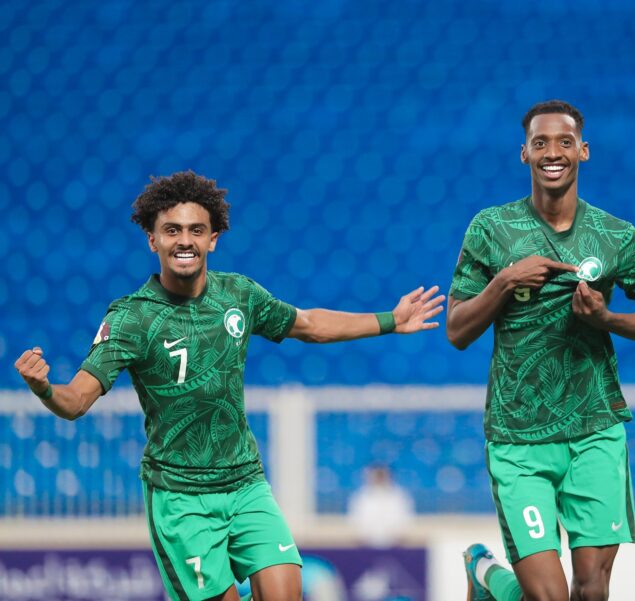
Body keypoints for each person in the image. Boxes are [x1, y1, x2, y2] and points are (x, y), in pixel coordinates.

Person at [14, 171, 445, 601]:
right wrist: (45, 389)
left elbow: (309, 325)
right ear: (152, 240)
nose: (185, 241)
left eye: (196, 230)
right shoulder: (131, 318)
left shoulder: (239, 295)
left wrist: (390, 321)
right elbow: (77, 400)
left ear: (213, 239)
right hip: (181, 499)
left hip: (245, 484)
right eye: (172, 230)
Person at [446, 100, 635, 601]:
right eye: (541, 143)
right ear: (524, 153)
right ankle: (485, 572)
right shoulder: (491, 228)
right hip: (519, 436)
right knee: (547, 597)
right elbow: (456, 331)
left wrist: (606, 319)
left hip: (595, 429)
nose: (553, 152)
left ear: (583, 151)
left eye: (564, 142)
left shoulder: (615, 235)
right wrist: (505, 281)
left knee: (591, 591)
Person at [347, 464, 415, 548]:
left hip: (396, 545)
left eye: (382, 475)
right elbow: (355, 520)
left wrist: (398, 536)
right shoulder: (360, 497)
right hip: (365, 545)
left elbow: (406, 519)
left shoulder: (401, 496)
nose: (379, 478)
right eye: (377, 475)